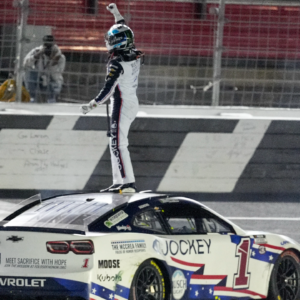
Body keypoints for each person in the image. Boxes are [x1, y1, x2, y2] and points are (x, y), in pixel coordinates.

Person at [80, 3, 144, 194]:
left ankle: (127, 183)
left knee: (118, 144)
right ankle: (120, 182)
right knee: (116, 143)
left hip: (121, 104)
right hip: (130, 101)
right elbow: (125, 29)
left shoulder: (117, 63)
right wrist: (116, 13)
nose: (109, 40)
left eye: (113, 38)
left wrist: (92, 104)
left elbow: (108, 89)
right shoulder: (132, 54)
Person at [23, 35, 66, 103]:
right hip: (38, 78)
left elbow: (57, 75)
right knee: (29, 73)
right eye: (46, 46)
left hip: (51, 80)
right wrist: (36, 56)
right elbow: (25, 64)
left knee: (55, 84)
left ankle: (51, 100)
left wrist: (53, 63)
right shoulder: (36, 51)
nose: (48, 49)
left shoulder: (60, 57)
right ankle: (32, 98)